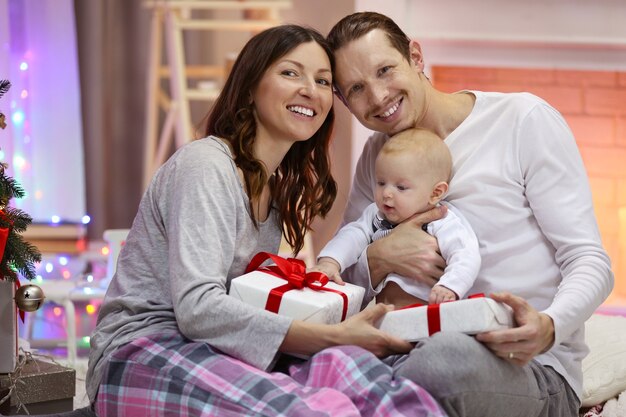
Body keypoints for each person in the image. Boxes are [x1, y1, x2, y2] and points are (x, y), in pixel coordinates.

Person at [85, 24, 445, 416]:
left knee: (375, 387)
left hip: (218, 346)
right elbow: (197, 308)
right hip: (141, 351)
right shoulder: (205, 165)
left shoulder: (274, 195)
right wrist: (327, 336)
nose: (310, 89)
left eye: (323, 81)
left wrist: (336, 340)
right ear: (251, 86)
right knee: (310, 409)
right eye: (291, 73)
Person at [326, 11, 614, 417]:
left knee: (442, 361)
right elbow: (345, 278)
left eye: (385, 70)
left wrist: (547, 327)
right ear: (343, 100)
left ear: (415, 56)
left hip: (525, 367)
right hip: (406, 344)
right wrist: (380, 257)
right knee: (320, 354)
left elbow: (590, 260)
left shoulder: (521, 120)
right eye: (356, 88)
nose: (377, 97)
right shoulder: (377, 156)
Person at [312, 127, 480, 306]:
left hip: (426, 315)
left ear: (435, 193)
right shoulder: (375, 215)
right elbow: (351, 236)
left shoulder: (442, 222)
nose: (386, 193)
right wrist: (330, 262)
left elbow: (465, 255)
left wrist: (450, 287)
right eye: (381, 183)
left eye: (401, 187)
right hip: (383, 316)